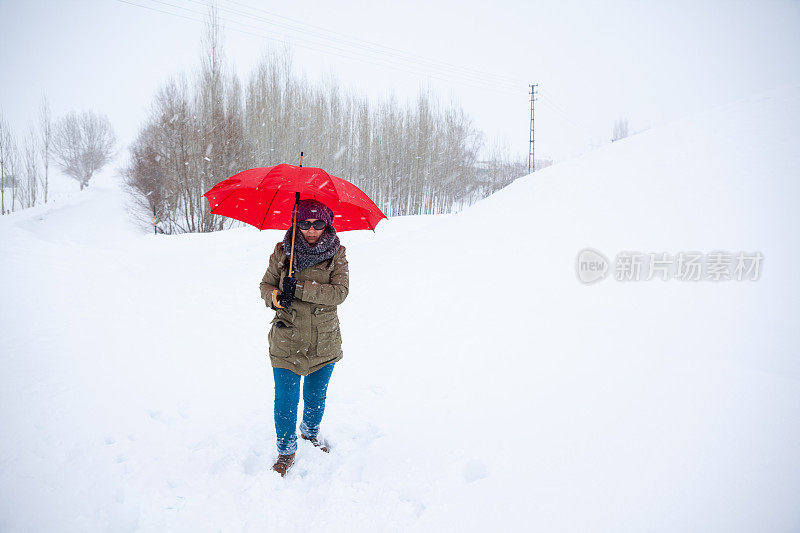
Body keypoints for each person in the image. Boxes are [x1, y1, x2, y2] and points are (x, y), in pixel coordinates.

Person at [259, 199, 349, 477]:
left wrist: (298, 287)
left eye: (318, 224)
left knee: (314, 397)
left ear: (327, 224)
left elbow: (339, 293)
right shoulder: (282, 252)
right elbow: (265, 286)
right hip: (287, 338)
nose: (311, 230)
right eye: (305, 224)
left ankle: (310, 435)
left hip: (324, 340)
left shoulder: (338, 254)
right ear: (296, 224)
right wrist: (277, 297)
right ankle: (286, 451)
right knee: (285, 400)